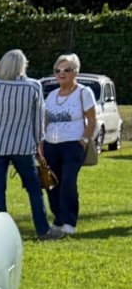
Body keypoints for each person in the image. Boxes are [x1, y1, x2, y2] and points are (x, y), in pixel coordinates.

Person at [0, 48, 60, 241]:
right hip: (23, 146)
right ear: (22, 65)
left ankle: (0, 233)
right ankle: (43, 230)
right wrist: (38, 144)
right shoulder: (33, 87)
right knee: (34, 189)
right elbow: (37, 120)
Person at [41, 53, 96, 236]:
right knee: (52, 184)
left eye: (66, 70)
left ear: (75, 72)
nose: (61, 73)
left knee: (68, 183)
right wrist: (40, 144)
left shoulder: (83, 92)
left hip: (72, 146)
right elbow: (45, 122)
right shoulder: (51, 96)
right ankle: (58, 220)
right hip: (51, 145)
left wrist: (83, 140)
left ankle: (69, 222)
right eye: (58, 70)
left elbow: (92, 119)